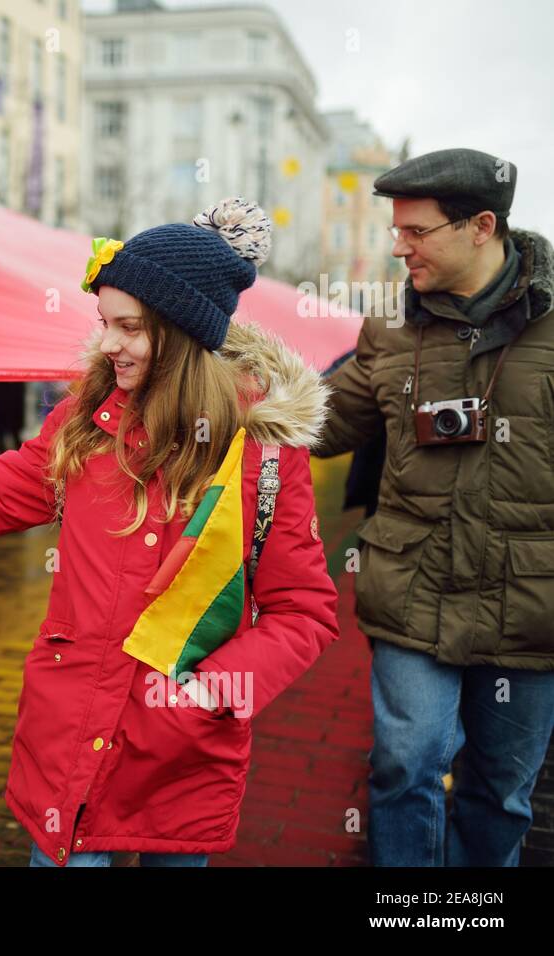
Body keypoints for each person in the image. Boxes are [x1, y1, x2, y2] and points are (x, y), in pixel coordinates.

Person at [0, 198, 340, 866]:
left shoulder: (262, 453)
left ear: (182, 336)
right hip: (68, 738)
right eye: (103, 323)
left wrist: (215, 690)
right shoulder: (82, 424)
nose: (107, 344)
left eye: (129, 328)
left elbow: (305, 612)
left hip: (183, 752)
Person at [313, 148, 554, 867]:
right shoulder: (390, 334)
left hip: (532, 605)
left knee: (502, 791)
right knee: (405, 766)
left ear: (482, 226)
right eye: (398, 229)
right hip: (412, 594)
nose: (400, 245)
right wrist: (217, 380)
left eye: (417, 231)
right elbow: (319, 425)